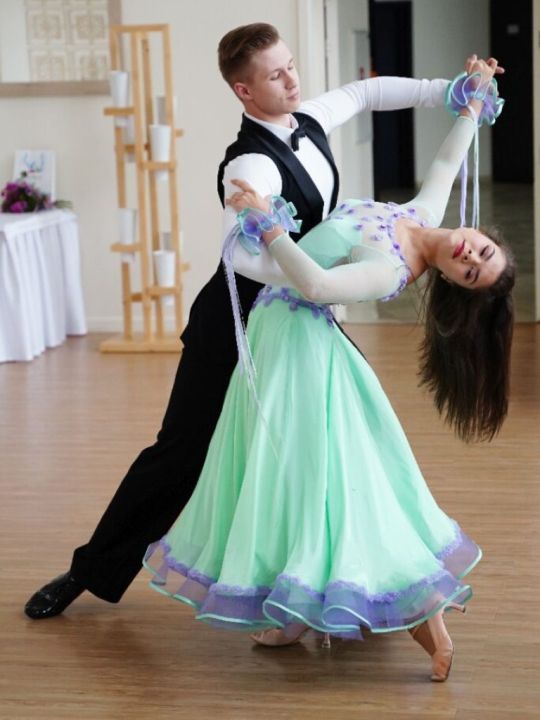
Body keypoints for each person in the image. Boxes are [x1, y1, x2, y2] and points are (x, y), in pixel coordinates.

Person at [25, 23, 466, 620]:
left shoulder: (305, 119)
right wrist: (319, 276)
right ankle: (89, 571)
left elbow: (365, 93)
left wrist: (447, 91)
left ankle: (342, 583)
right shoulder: (251, 164)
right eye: (276, 75)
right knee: (182, 451)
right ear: (244, 91)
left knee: (347, 435)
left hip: (298, 315)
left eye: (291, 66)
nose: (292, 80)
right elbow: (240, 256)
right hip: (236, 321)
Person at [143, 57, 514, 683]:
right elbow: (448, 160)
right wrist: (473, 102)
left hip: (297, 347)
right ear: (480, 232)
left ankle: (386, 618)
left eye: (471, 271)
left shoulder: (391, 266)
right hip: (285, 340)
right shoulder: (420, 215)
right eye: (481, 249)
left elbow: (315, 286)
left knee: (303, 480)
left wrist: (269, 226)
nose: (467, 255)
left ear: (455, 283)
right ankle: (298, 613)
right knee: (304, 483)